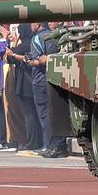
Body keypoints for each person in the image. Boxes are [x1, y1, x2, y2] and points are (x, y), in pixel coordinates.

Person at [27, 22, 68, 157]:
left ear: (38, 23)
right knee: (57, 112)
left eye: (32, 23)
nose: (30, 26)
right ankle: (60, 145)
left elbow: (39, 60)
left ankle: (51, 145)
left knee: (45, 114)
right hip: (59, 78)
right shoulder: (61, 36)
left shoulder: (38, 38)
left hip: (41, 79)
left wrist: (30, 61)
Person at [3, 24, 40, 152]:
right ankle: (37, 141)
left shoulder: (24, 45)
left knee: (28, 114)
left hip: (24, 83)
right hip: (34, 81)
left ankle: (31, 142)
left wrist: (12, 47)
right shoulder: (35, 42)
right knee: (36, 113)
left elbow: (8, 57)